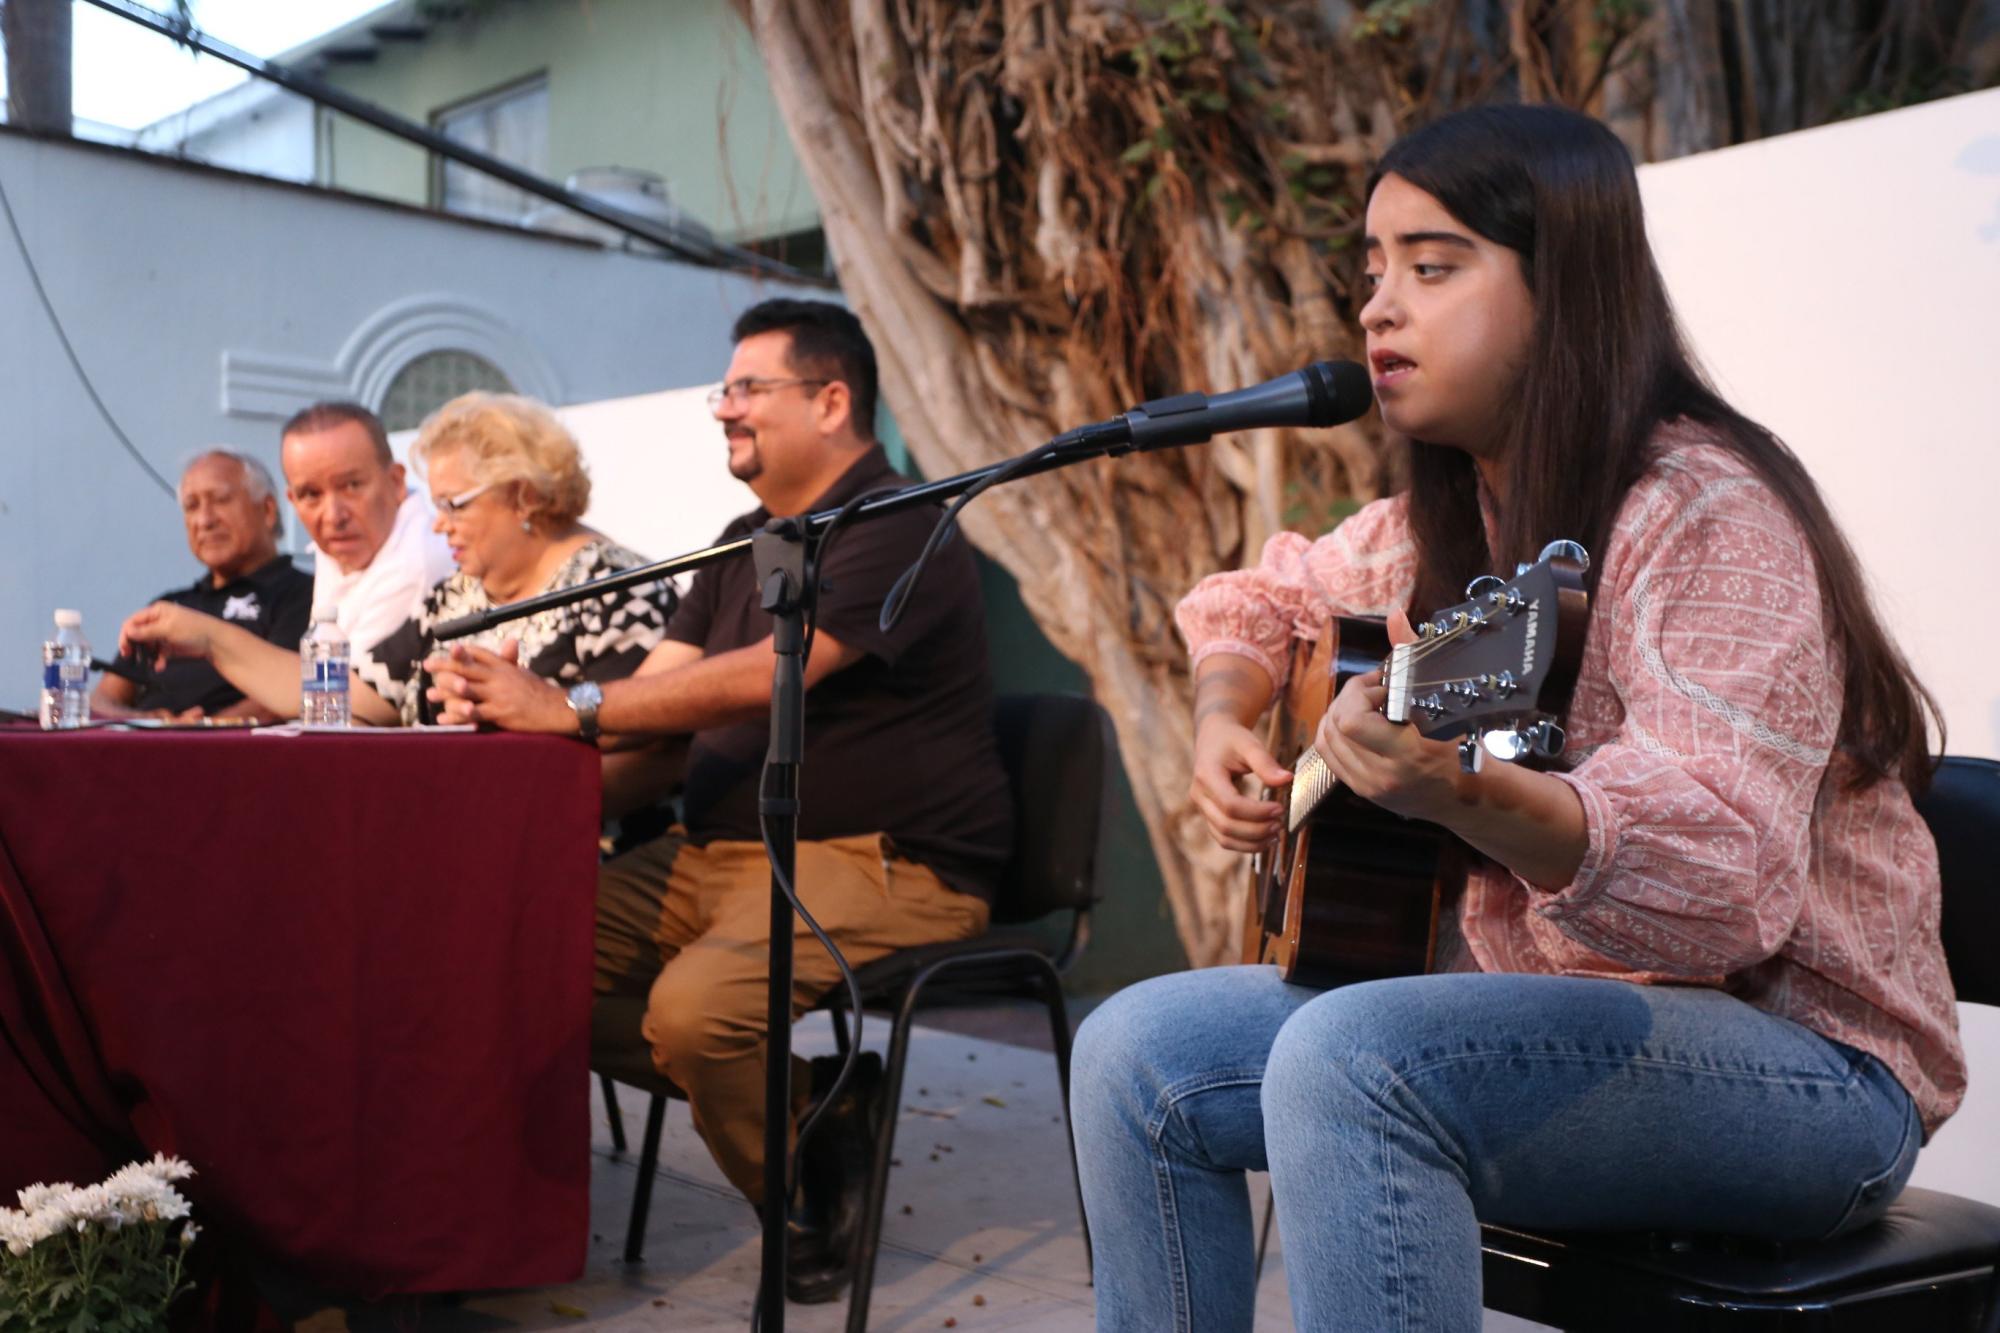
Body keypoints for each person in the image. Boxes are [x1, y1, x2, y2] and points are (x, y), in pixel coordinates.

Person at [1070, 104, 1962, 1333]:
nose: (1378, 306)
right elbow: (1260, 598)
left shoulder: (1706, 515)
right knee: (1135, 1053)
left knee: (1355, 1060)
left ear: (1566, 291)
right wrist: (1227, 708)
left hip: (1811, 1068)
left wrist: (1457, 793)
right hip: (1563, 1027)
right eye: (1372, 270)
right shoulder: (1438, 523)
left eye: (1431, 268)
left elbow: (1725, 888)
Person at [428, 299, 1013, 1302]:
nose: (722, 409)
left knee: (692, 1017)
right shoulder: (743, 536)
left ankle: (799, 1180)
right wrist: (501, 720)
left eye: (747, 389)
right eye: (724, 389)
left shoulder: (896, 522)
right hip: (712, 853)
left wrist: (566, 702)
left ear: (832, 401)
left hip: (881, 858)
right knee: (491, 961)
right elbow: (655, 701)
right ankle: (816, 1111)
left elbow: (766, 676)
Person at [118, 394, 672, 749]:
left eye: (455, 505)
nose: (438, 525)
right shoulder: (457, 599)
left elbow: (643, 738)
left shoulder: (619, 587)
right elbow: (349, 694)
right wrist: (210, 639)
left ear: (523, 496)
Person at [93, 450, 313, 721]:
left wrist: (205, 731)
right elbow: (102, 699)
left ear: (267, 510)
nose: (204, 520)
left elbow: (293, 692)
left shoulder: (304, 594)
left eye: (220, 500)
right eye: (191, 506)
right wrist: (148, 725)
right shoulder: (169, 607)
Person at [279, 401, 454, 658]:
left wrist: (215, 642)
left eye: (351, 486)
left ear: (395, 482)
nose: (333, 516)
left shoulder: (416, 564)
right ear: (293, 501)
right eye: (311, 494)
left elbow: (343, 690)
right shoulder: (350, 542)